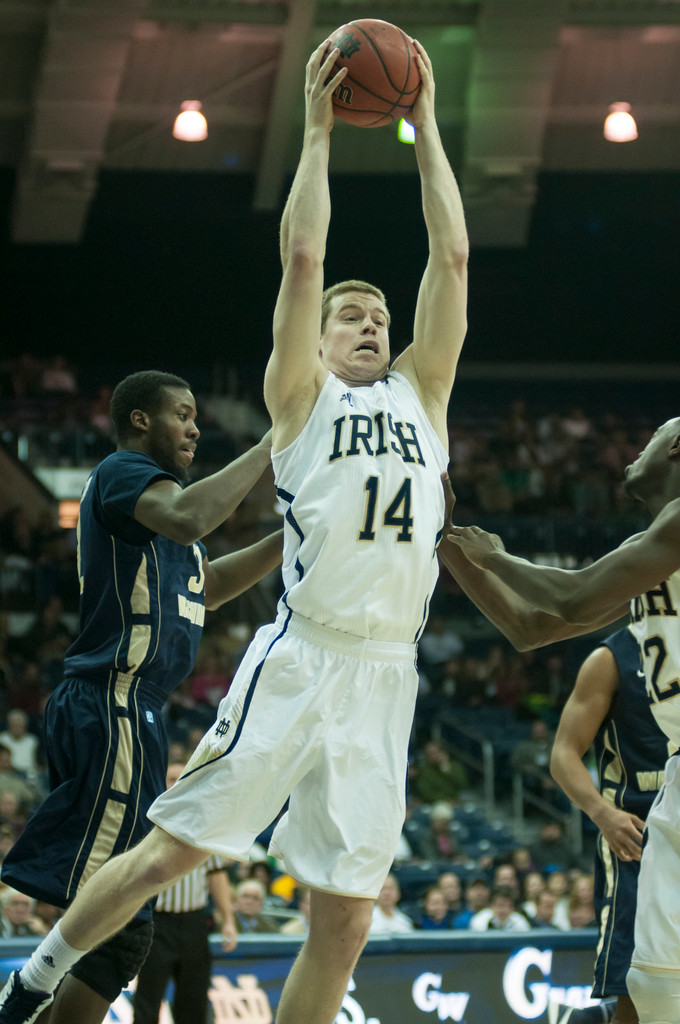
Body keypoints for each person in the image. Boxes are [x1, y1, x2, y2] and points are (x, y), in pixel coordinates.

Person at [0, 34, 468, 1024]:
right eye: (348, 314)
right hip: (303, 658)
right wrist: (314, 131)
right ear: (315, 338)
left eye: (377, 313)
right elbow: (303, 251)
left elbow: (452, 253)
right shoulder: (298, 400)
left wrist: (422, 126)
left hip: (389, 671)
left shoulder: (423, 396)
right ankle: (34, 978)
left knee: (344, 917)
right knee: (172, 852)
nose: (369, 321)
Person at [0, 368, 282, 1024]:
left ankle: (32, 1000)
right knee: (114, 911)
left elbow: (205, 587)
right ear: (139, 421)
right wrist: (273, 444)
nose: (195, 427)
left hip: (133, 711)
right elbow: (189, 517)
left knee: (124, 930)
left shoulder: (162, 520)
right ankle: (23, 1000)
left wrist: (299, 539)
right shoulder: (124, 473)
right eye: (181, 414)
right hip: (113, 700)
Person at [438, 416, 680, 1024]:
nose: (635, 447)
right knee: (651, 983)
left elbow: (569, 595)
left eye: (649, 435)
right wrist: (449, 545)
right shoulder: (650, 554)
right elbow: (533, 627)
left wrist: (494, 553)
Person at [551, 627, 669, 1023]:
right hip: (636, 837)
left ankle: (593, 1019)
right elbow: (563, 754)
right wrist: (604, 814)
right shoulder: (611, 658)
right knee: (632, 989)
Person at [132, 761, 237, 1024]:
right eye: (171, 778)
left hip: (194, 922)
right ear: (160, 783)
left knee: (194, 1000)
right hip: (156, 923)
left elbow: (217, 874)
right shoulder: (146, 820)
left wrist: (229, 920)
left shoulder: (204, 823)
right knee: (148, 1000)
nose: (177, 783)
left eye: (182, 777)